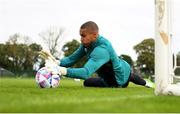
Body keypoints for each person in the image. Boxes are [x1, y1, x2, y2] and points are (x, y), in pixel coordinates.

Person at [39, 21, 154, 88]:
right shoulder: (86, 44)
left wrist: (60, 70)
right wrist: (56, 62)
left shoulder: (102, 49)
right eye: (80, 35)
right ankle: (144, 82)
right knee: (87, 83)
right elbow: (72, 59)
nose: (81, 38)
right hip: (109, 77)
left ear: (95, 35)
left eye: (84, 35)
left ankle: (147, 83)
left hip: (118, 82)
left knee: (129, 77)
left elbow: (85, 72)